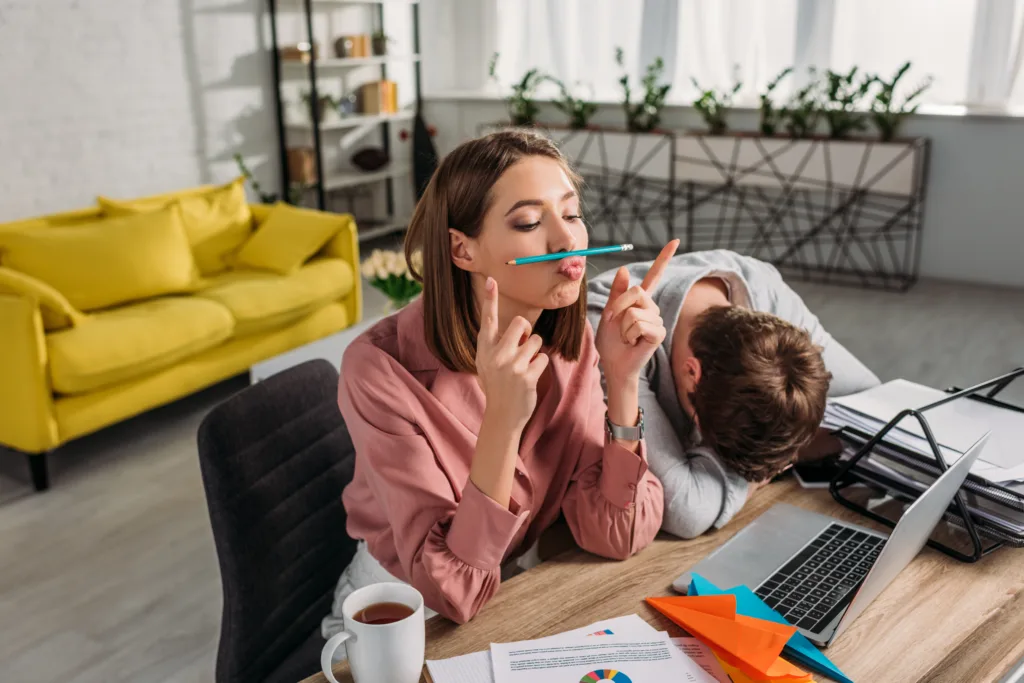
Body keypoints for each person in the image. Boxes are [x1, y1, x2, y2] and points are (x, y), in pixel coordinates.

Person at [323, 130, 674, 635]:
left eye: (571, 214)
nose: (566, 239)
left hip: (513, 592)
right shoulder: (379, 368)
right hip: (399, 614)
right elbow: (452, 590)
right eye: (530, 222)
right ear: (462, 250)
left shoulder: (570, 342)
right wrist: (503, 423)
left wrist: (621, 381)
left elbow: (617, 533)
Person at [587, 249, 881, 539]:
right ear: (693, 374)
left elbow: (883, 416)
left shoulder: (764, 292)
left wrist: (758, 468)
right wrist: (780, 461)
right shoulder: (614, 332)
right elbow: (687, 510)